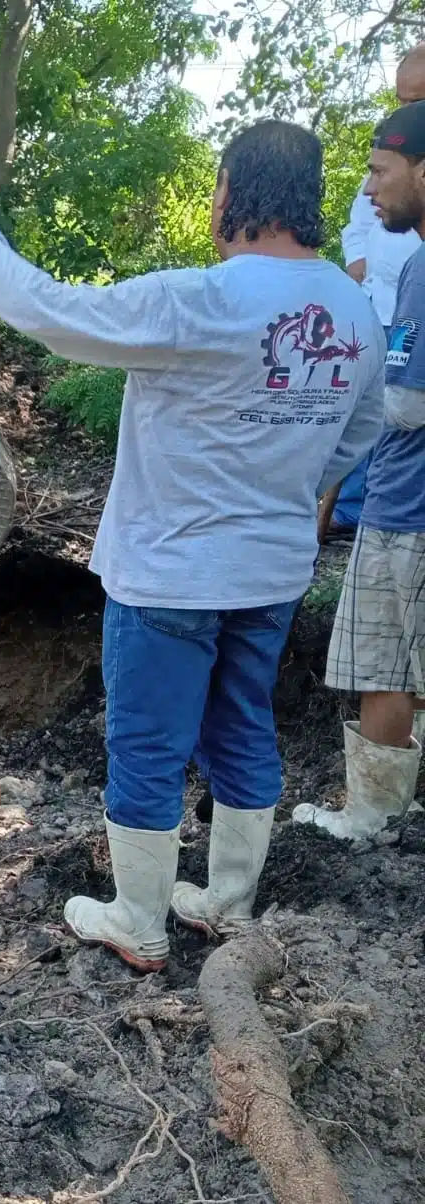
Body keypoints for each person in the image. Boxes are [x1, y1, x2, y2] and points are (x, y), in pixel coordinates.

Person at [0, 121, 385, 971]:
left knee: (148, 742)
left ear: (232, 194)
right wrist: (283, 484)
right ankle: (225, 902)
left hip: (172, 568)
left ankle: (137, 918)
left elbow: (46, 312)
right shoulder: (354, 310)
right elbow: (361, 430)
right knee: (242, 725)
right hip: (273, 568)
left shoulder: (202, 300)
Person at [296, 102, 425, 840]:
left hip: (409, 505)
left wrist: (339, 398)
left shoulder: (422, 269)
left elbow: (406, 405)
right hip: (402, 501)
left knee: (388, 661)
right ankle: (388, 816)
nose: (370, 191)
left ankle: (376, 817)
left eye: (380, 172)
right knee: (399, 665)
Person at [321, 47, 425, 539]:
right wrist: (357, 260)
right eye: (402, 97)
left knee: (395, 407)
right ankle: (359, 507)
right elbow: (357, 221)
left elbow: (405, 407)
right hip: (381, 305)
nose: (407, 107)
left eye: (419, 97)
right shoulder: (392, 153)